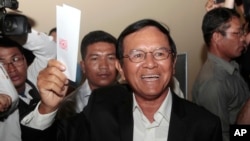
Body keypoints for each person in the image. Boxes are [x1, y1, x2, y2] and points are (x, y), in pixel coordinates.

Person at [36, 18, 222, 141]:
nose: (150, 64)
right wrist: (48, 108)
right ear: (121, 69)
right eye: (137, 55)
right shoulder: (101, 106)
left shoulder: (205, 125)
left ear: (173, 63)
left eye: (159, 53)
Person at [192, 7, 250, 141]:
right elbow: (223, 136)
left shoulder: (232, 64)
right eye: (237, 33)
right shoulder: (214, 84)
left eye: (243, 32)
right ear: (217, 37)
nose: (242, 38)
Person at [0, 29, 56, 141]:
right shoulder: (3, 99)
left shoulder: (34, 77)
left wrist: (9, 29)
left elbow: (51, 50)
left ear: (25, 61)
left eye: (15, 59)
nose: (11, 69)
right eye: (1, 64)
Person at [56, 30, 119, 119]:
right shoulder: (70, 105)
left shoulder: (133, 96)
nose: (104, 66)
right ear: (83, 66)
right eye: (95, 59)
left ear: (119, 64)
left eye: (111, 58)